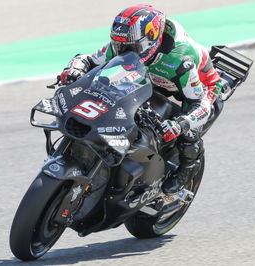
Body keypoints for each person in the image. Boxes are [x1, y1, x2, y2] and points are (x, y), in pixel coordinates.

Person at [59, 4, 225, 194]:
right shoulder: (127, 41)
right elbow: (88, 59)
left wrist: (181, 124)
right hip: (153, 77)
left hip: (198, 87)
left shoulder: (180, 58)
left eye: (131, 47)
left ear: (152, 40)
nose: (123, 50)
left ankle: (188, 167)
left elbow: (199, 103)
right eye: (119, 45)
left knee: (187, 131)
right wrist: (73, 70)